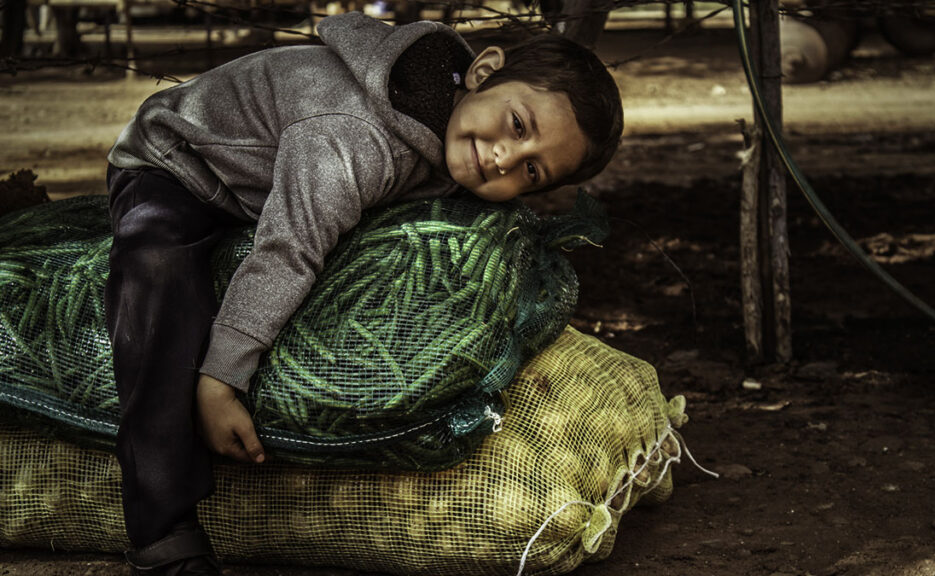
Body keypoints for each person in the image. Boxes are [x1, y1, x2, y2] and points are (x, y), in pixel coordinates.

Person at [104, 10, 622, 575]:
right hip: (178, 165)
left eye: (532, 172)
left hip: (266, 178)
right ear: (483, 71)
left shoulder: (454, 118)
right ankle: (162, 531)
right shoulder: (354, 137)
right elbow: (289, 249)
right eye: (518, 126)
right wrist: (221, 378)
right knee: (158, 279)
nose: (504, 160)